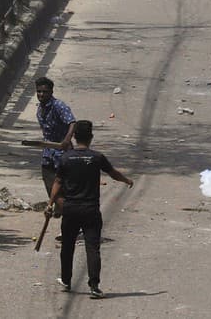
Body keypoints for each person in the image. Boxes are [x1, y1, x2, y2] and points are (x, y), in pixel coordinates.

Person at [48, 120, 133, 298]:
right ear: (91, 137)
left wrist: (50, 203)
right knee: (92, 248)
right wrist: (127, 180)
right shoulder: (97, 158)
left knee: (68, 246)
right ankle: (94, 286)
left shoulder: (65, 158)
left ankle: (66, 280)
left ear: (75, 136)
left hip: (70, 209)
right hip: (90, 210)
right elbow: (113, 174)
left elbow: (57, 182)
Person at [34, 77, 75, 220]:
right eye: (38, 91)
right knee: (51, 187)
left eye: (44, 92)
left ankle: (70, 222)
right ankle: (63, 212)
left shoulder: (59, 106)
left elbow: (72, 122)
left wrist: (66, 139)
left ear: (51, 91)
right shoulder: (41, 108)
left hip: (62, 154)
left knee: (60, 192)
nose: (41, 95)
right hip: (48, 154)